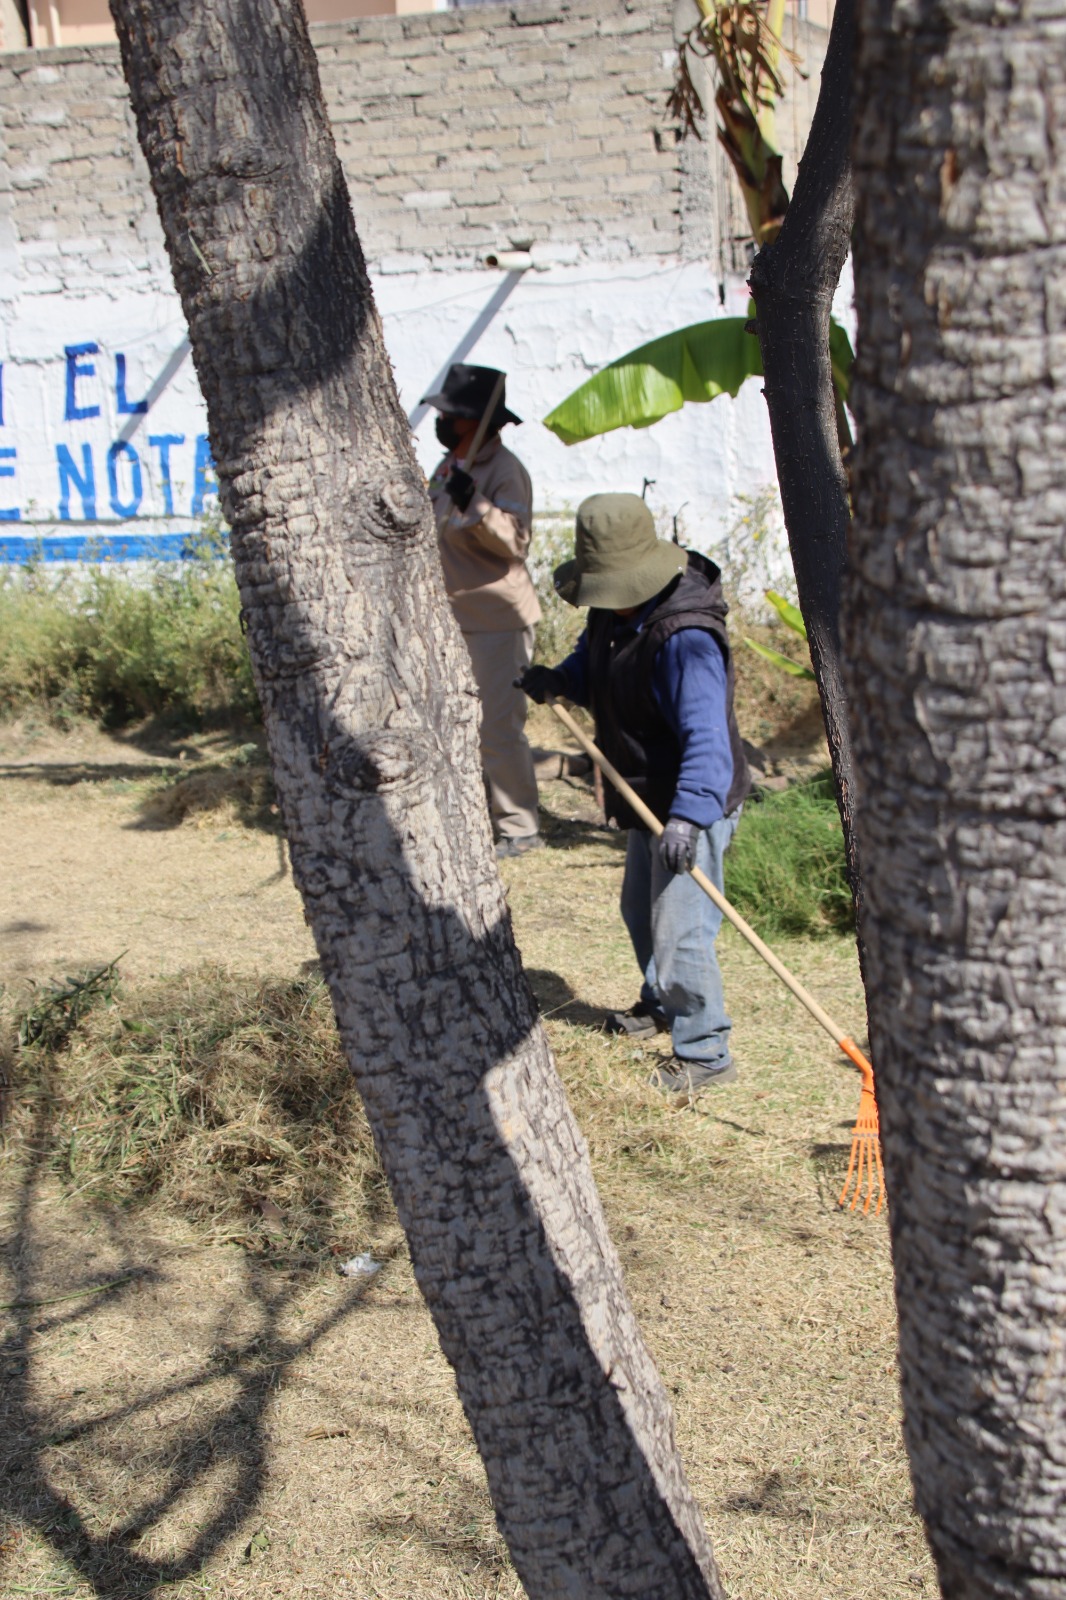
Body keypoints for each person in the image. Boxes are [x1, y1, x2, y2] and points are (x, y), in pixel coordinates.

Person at [518, 492, 751, 1103]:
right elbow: (593, 663)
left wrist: (688, 818)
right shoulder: (616, 613)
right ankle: (662, 1005)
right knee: (638, 911)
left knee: (682, 931)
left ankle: (704, 1053)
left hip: (689, 804)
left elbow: (706, 737)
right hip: (648, 795)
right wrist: (561, 681)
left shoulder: (686, 639)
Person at [423, 363, 543, 859]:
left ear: (477, 420)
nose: (443, 421)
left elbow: (515, 543)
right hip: (451, 617)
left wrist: (476, 504)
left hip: (497, 620)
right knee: (451, 724)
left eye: (452, 414)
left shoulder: (502, 469)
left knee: (497, 728)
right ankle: (470, 816)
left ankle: (520, 826)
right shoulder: (451, 463)